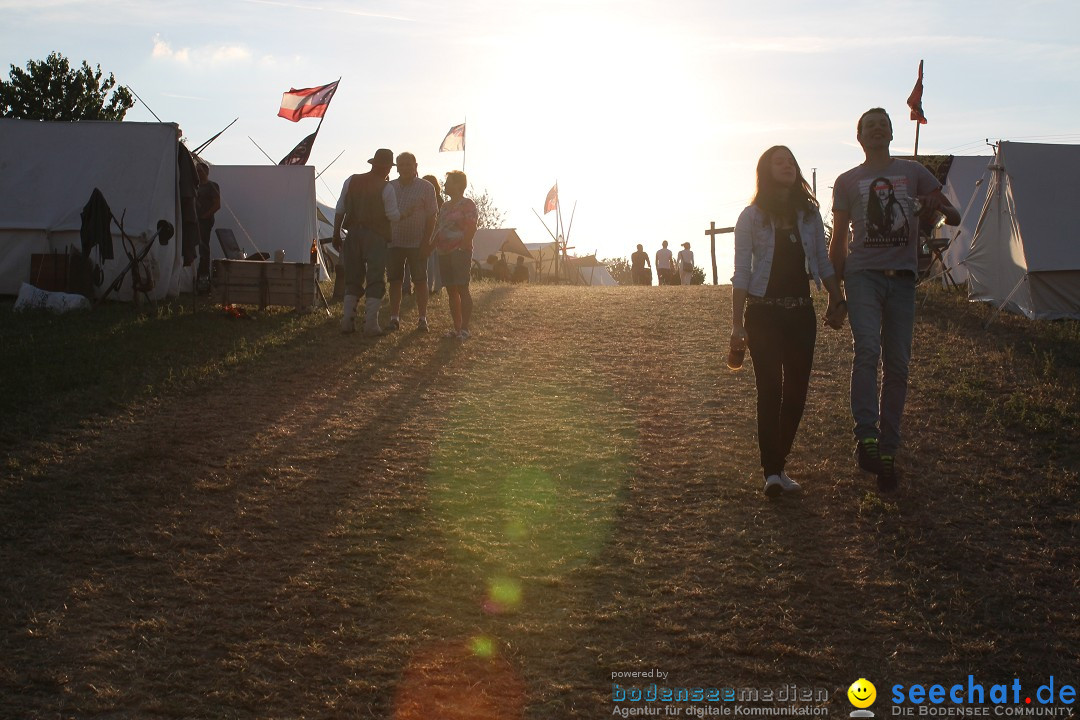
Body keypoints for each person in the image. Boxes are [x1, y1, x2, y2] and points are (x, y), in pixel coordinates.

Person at [830, 108, 960, 493]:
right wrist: (835, 294)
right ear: (859, 137)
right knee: (867, 351)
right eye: (869, 125)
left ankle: (888, 450)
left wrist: (934, 206)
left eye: (883, 124)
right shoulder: (847, 181)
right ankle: (866, 439)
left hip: (903, 281)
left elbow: (953, 216)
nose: (876, 130)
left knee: (898, 366)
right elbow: (838, 239)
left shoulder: (914, 173)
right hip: (862, 276)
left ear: (891, 133)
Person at [731, 145, 846, 497]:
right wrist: (737, 324)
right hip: (763, 313)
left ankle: (778, 465)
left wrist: (836, 296)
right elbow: (741, 274)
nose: (787, 166)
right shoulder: (751, 217)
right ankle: (772, 472)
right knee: (770, 390)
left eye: (791, 161)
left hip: (801, 313)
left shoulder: (809, 215)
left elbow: (823, 264)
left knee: (796, 392)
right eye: (778, 162)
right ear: (765, 171)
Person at [332, 148, 401, 335]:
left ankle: (347, 321)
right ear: (387, 168)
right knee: (376, 277)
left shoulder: (352, 180)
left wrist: (336, 233)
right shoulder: (386, 188)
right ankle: (371, 324)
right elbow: (392, 215)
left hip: (352, 234)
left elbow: (340, 209)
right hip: (376, 236)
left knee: (353, 276)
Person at [387, 152, 438, 332]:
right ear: (397, 167)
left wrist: (427, 241)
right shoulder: (389, 187)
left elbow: (432, 216)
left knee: (420, 280)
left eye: (409, 164)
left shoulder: (426, 187)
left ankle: (422, 319)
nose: (405, 167)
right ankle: (394, 318)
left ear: (416, 165)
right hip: (393, 243)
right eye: (401, 164)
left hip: (417, 243)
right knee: (394, 280)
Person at [433, 170, 478, 340]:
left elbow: (471, 226)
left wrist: (463, 246)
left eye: (448, 182)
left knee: (462, 288)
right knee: (451, 289)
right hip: (443, 252)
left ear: (458, 185)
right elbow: (439, 226)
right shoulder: (444, 206)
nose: (445, 185)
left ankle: (465, 328)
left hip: (460, 251)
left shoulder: (468, 204)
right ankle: (457, 328)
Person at [194, 161, 220, 294]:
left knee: (204, 248)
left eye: (200, 171)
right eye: (197, 171)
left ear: (207, 172)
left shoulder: (212, 186)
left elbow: (217, 204)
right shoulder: (195, 186)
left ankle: (204, 278)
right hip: (194, 220)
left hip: (204, 221)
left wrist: (205, 216)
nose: (198, 173)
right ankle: (196, 276)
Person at [422, 174, 445, 295]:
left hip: (432, 231)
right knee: (436, 262)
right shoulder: (440, 199)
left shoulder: (434, 199)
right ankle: (437, 287)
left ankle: (429, 286)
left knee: (429, 261)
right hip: (439, 231)